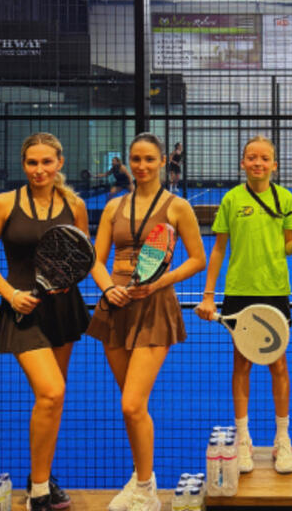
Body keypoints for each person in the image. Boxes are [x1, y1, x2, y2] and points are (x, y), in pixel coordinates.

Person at [86, 133, 206, 511]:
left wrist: (158, 282)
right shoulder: (113, 207)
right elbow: (95, 259)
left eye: (149, 159)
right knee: (132, 405)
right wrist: (108, 289)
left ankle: (146, 489)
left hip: (155, 308)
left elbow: (197, 259)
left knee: (131, 404)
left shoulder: (178, 207)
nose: (142, 166)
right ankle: (142, 480)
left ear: (162, 162)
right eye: (136, 159)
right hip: (115, 306)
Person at [0, 132, 90, 511]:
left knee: (52, 400)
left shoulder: (75, 205)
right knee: (51, 391)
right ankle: (38, 492)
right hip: (21, 309)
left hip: (64, 309)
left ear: (59, 163)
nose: (39, 169)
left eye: (46, 162)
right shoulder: (3, 203)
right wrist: (11, 294)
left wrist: (70, 280)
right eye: (31, 162)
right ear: (24, 164)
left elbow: (82, 255)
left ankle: (42, 475)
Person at [196, 136, 292, 475]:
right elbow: (219, 249)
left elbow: (288, 248)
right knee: (242, 364)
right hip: (239, 294)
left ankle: (282, 439)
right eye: (252, 157)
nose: (258, 163)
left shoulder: (286, 198)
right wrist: (208, 295)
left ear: (274, 164)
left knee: (278, 365)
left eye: (264, 158)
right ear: (243, 163)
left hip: (275, 292)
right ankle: (243, 439)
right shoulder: (231, 199)